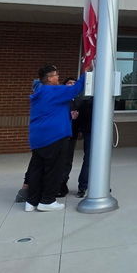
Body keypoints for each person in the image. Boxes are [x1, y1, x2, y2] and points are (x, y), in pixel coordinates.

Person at [25, 65, 85, 211]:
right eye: (56, 75)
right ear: (49, 78)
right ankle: (47, 201)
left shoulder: (39, 90)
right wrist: (86, 71)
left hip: (37, 138)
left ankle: (31, 202)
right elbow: (76, 88)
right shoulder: (53, 90)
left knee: (37, 169)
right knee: (54, 170)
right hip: (55, 136)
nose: (58, 77)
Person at [59, 77, 80, 197]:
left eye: (74, 83)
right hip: (61, 134)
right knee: (59, 160)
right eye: (69, 83)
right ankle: (57, 184)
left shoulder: (78, 100)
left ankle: (62, 184)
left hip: (72, 134)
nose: (72, 85)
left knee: (67, 161)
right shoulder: (61, 99)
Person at [76, 94, 93, 197]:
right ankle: (82, 186)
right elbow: (82, 119)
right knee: (88, 160)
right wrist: (81, 130)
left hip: (99, 134)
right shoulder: (87, 102)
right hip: (90, 133)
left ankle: (102, 184)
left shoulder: (105, 102)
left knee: (100, 160)